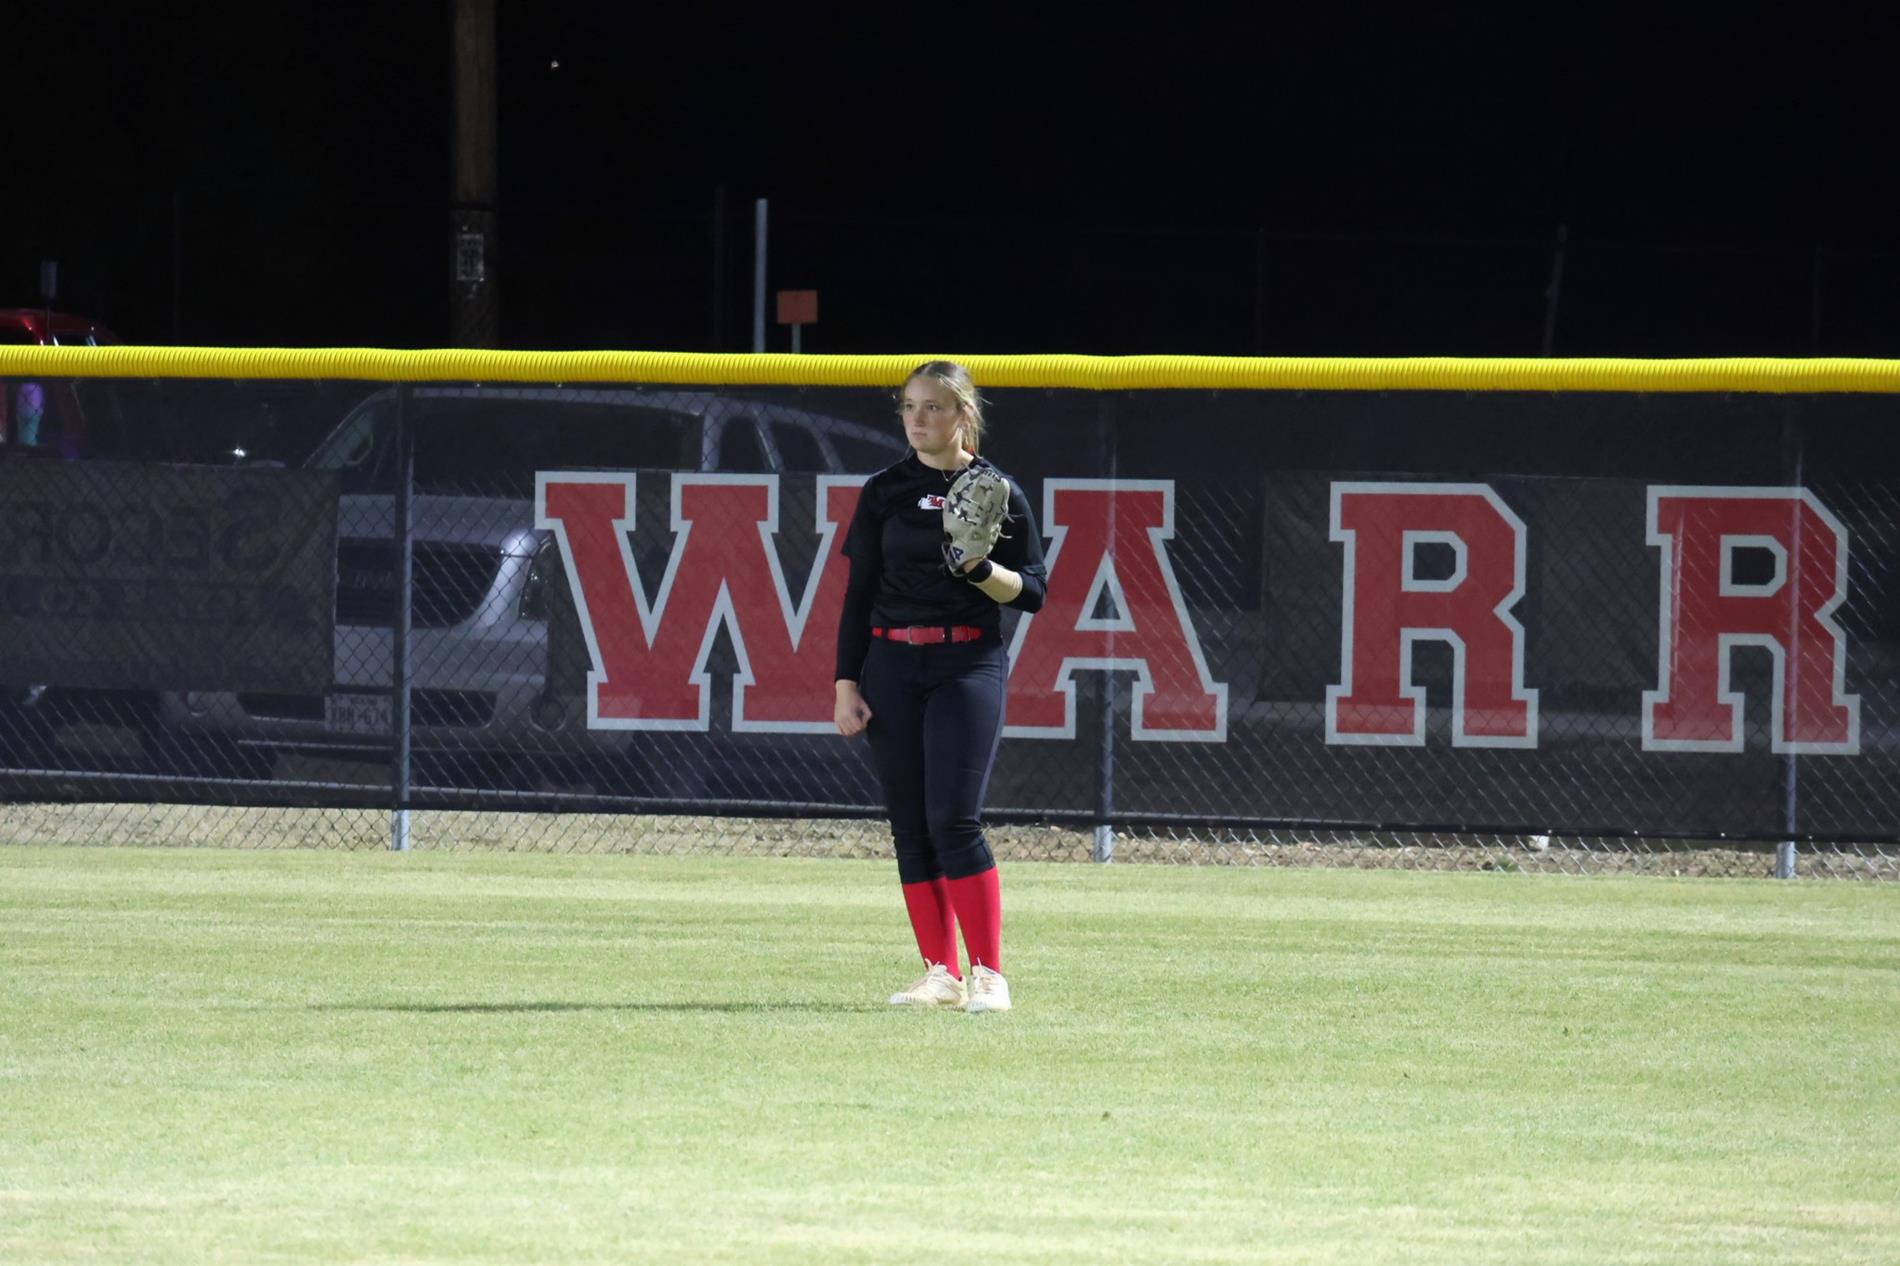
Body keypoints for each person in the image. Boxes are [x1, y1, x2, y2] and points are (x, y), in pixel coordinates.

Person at [833, 361, 1047, 1014]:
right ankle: (939, 972)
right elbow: (859, 592)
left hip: (966, 665)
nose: (918, 419)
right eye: (909, 407)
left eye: (933, 407)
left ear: (963, 415)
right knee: (910, 827)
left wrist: (982, 570)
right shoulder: (883, 491)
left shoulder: (997, 489)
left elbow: (1033, 591)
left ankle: (988, 974)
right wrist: (846, 681)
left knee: (953, 819)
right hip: (890, 666)